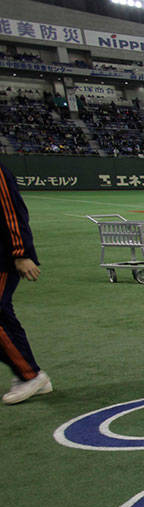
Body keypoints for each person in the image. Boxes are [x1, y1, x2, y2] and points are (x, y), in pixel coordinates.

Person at [0, 161, 51, 405]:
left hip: (3, 257)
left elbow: (10, 209)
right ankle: (26, 373)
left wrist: (21, 253)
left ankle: (29, 375)